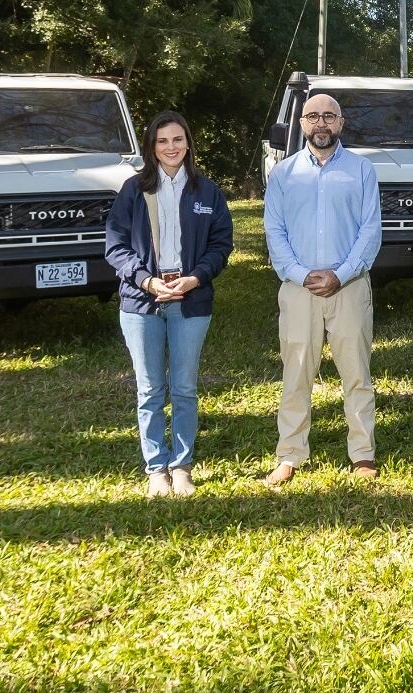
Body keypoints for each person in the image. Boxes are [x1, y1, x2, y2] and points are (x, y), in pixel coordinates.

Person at [103, 110, 233, 498]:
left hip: (191, 300)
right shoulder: (132, 190)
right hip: (142, 302)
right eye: (162, 141)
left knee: (184, 388)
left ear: (188, 143)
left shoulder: (207, 191)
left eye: (177, 139)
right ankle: (156, 469)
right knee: (150, 389)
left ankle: (182, 467)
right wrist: (146, 280)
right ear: (151, 146)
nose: (171, 147)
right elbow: (115, 245)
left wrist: (195, 278)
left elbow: (221, 245)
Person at [262, 91, 383, 485]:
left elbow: (370, 230)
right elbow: (274, 230)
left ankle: (362, 453)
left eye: (329, 116)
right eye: (313, 116)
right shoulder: (283, 174)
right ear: (301, 124)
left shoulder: (362, 171)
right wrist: (299, 274)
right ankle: (290, 454)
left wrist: (341, 273)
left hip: (349, 287)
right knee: (296, 373)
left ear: (341, 123)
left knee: (356, 373)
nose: (321, 123)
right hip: (298, 290)